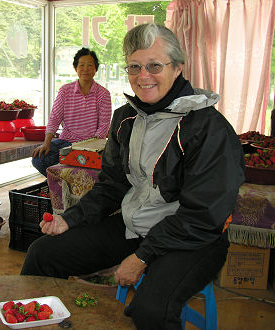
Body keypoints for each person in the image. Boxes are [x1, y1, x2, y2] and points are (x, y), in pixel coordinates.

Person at [21, 23, 245, 329]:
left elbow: (204, 215)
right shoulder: (125, 118)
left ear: (178, 68)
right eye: (135, 66)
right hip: (135, 226)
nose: (143, 76)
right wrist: (69, 218)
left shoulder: (209, 128)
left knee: (151, 310)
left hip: (194, 240)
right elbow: (112, 185)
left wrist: (142, 257)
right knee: (42, 254)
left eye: (155, 65)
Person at [32, 47, 112, 177]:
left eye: (90, 65)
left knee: (102, 164)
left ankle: (69, 178)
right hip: (66, 143)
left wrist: (89, 148)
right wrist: (46, 143)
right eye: (81, 65)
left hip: (91, 146)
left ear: (95, 69)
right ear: (76, 68)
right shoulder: (65, 91)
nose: (85, 69)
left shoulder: (103, 94)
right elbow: (54, 118)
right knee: (39, 159)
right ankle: (65, 181)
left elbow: (104, 126)